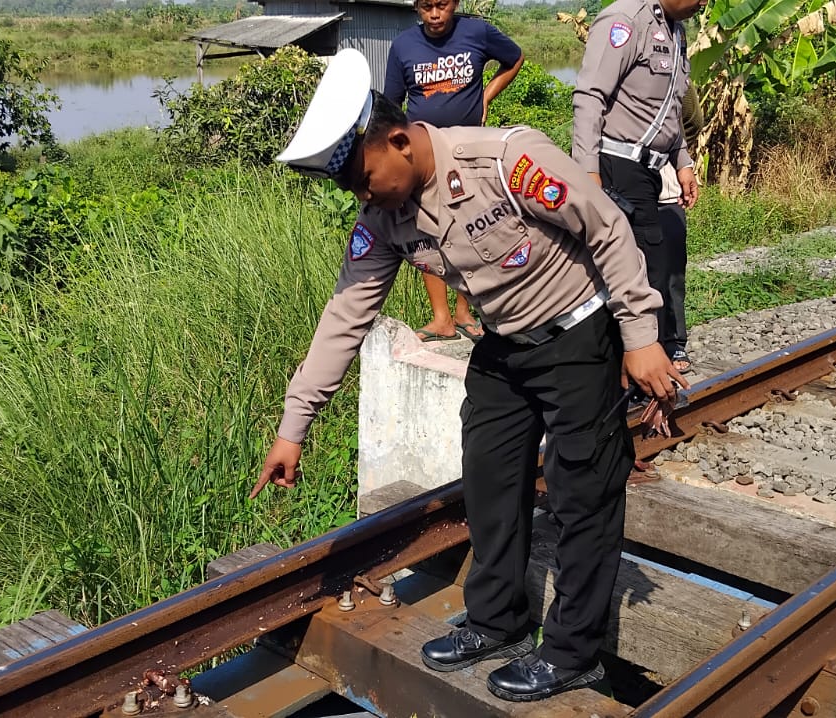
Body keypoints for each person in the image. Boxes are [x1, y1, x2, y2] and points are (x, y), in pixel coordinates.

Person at [256, 49, 687, 701]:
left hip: (578, 333)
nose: (361, 197)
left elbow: (608, 231)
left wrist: (641, 337)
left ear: (398, 141)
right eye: (350, 188)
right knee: (488, 480)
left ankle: (573, 653)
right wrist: (294, 428)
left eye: (363, 178)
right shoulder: (383, 219)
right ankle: (498, 623)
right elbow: (344, 317)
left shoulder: (506, 159)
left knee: (582, 492)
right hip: (505, 348)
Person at [573, 0, 707, 373]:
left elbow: (669, 110)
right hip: (616, 166)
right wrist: (588, 172)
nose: (703, 4)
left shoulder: (676, 31)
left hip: (651, 169)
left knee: (653, 267)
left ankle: (641, 363)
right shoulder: (625, 21)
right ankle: (636, 369)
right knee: (639, 271)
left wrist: (683, 162)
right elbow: (589, 96)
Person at [384, 0, 525, 343]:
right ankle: (441, 319)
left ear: (456, 3)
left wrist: (486, 98)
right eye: (427, 6)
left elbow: (514, 58)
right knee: (425, 233)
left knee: (469, 228)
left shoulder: (476, 31)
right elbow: (391, 103)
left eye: (442, 5)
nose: (435, 15)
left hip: (468, 149)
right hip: (424, 155)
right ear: (417, 7)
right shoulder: (404, 45)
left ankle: (464, 312)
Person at [653, 79, 705, 372]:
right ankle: (651, 344)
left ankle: (674, 344)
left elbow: (692, 121)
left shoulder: (676, 76)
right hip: (626, 192)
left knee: (672, 274)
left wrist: (675, 149)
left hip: (667, 191)